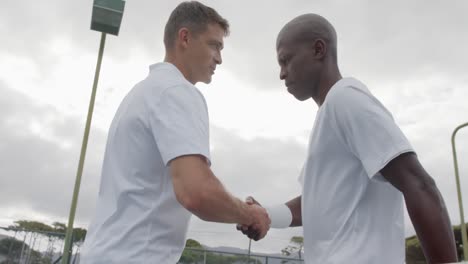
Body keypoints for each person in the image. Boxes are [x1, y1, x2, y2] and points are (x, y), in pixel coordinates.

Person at [238, 14, 458, 264]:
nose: (281, 73)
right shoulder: (330, 112)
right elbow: (315, 203)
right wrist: (266, 214)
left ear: (318, 50)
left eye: (286, 60)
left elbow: (418, 184)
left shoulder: (346, 99)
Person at [80, 2, 270, 263]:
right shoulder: (177, 91)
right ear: (185, 38)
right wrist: (250, 215)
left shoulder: (142, 92)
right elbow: (196, 192)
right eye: (214, 45)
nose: (219, 58)